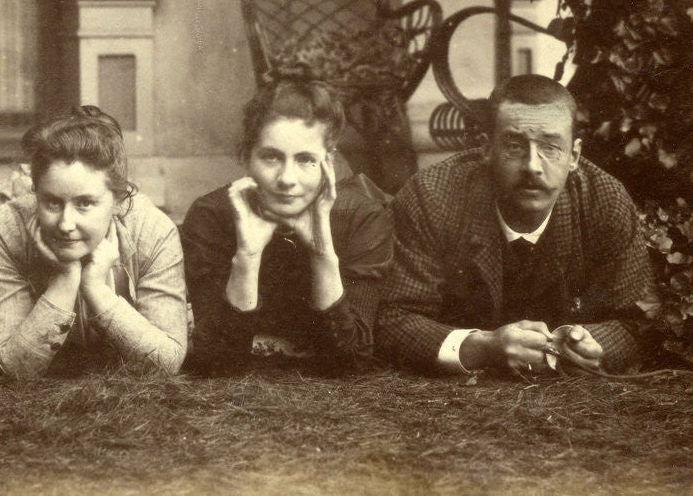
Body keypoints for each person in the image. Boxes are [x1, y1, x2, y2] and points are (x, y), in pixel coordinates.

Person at [377, 74, 653, 376]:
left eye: (550, 147)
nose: (532, 166)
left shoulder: (604, 200)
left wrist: (593, 345)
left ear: (574, 156)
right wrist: (482, 347)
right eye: (514, 145)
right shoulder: (432, 196)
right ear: (486, 148)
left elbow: (636, 321)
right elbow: (394, 318)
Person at [181, 77, 393, 374]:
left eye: (306, 160)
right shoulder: (210, 216)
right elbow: (216, 362)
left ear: (329, 162)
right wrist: (247, 258)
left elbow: (352, 361)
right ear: (247, 157)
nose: (287, 179)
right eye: (271, 157)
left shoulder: (362, 218)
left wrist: (322, 253)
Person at [0, 106, 187, 379]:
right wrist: (65, 278)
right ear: (35, 194)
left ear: (118, 201)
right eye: (52, 203)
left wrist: (96, 290)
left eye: (85, 203)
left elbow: (167, 361)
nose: (66, 224)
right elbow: (15, 366)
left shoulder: (152, 231)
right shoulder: (7, 231)